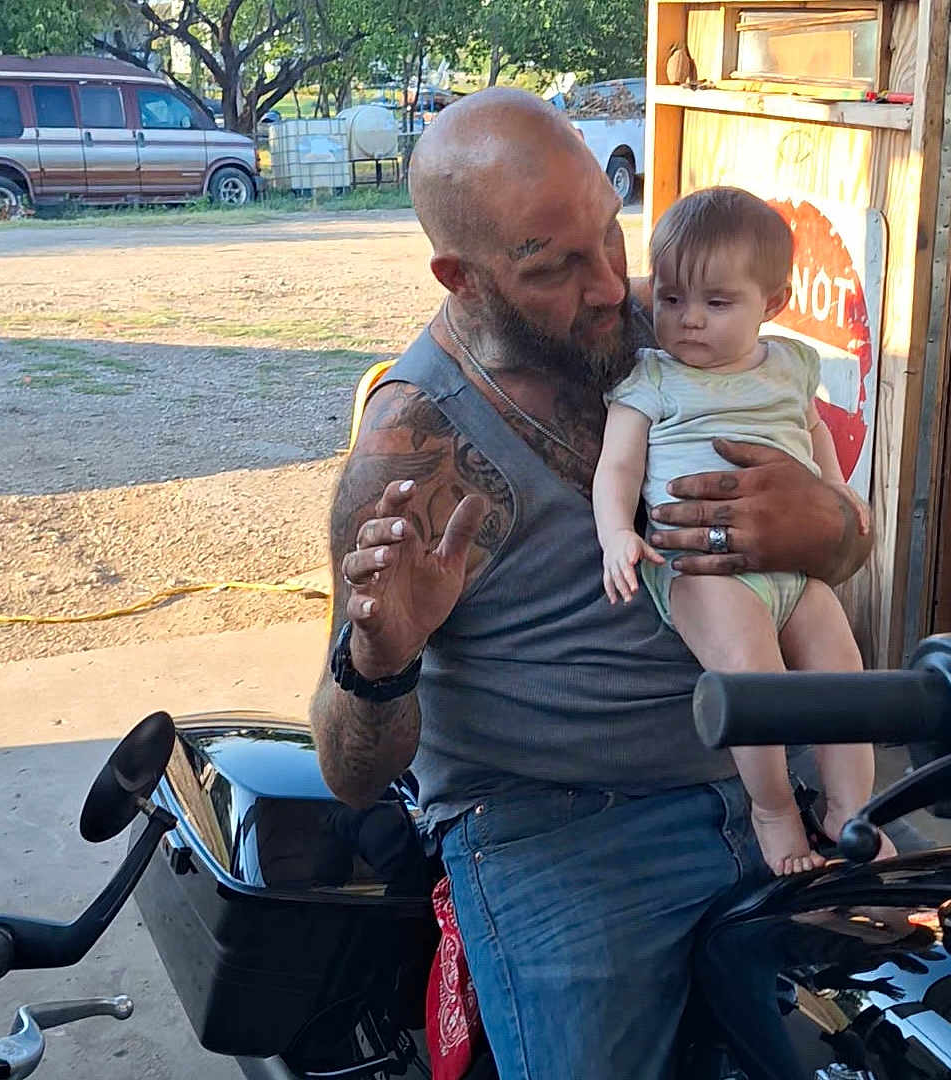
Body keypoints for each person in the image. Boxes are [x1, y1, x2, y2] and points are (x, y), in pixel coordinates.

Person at [309, 88, 873, 1080]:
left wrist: (824, 526)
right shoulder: (415, 447)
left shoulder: (682, 318)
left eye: (610, 238)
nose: (615, 285)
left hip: (783, 768)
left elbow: (849, 547)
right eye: (555, 266)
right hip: (566, 827)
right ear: (463, 277)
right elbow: (351, 771)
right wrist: (382, 658)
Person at [594, 188, 897, 876]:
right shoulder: (653, 379)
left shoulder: (791, 365)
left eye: (717, 303)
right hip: (700, 571)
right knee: (752, 680)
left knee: (843, 674)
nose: (690, 321)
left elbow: (814, 430)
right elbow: (618, 465)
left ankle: (849, 810)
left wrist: (836, 490)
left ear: (775, 302)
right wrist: (617, 532)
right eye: (670, 301)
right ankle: (772, 809)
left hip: (795, 568)